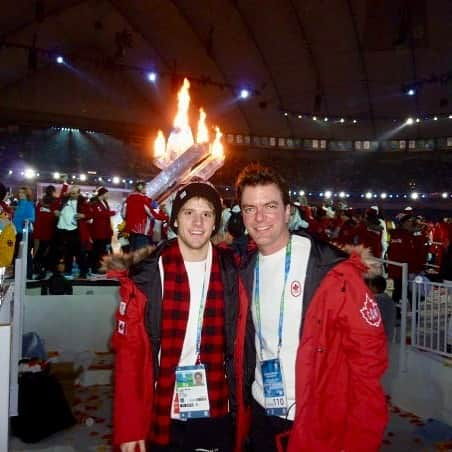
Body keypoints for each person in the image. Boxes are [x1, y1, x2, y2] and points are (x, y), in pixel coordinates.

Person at [233, 163, 388, 452]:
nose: (260, 217)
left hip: (316, 421)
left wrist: (360, 443)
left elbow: (368, 365)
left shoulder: (334, 273)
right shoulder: (243, 268)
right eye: (249, 208)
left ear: (288, 211)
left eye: (270, 206)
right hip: (260, 414)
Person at [106, 181, 238, 452]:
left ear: (215, 222)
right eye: (189, 212)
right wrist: (130, 427)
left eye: (207, 214)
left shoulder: (234, 271)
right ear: (175, 220)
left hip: (217, 403)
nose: (198, 222)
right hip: (162, 404)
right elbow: (130, 356)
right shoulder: (147, 275)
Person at [53, 186, 92, 278]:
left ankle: (83, 272)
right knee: (67, 252)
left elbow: (90, 214)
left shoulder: (83, 203)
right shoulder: (63, 200)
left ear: (78, 193)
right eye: (71, 193)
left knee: (79, 253)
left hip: (76, 231)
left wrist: (83, 215)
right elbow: (54, 207)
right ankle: (67, 271)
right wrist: (55, 211)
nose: (72, 195)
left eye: (74, 193)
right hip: (63, 230)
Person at [121, 180, 168, 251]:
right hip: (142, 232)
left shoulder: (128, 199)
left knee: (133, 254)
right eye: (145, 188)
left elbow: (123, 214)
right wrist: (165, 217)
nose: (146, 190)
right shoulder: (144, 200)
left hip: (130, 232)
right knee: (142, 256)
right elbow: (152, 215)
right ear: (142, 189)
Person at [89, 187, 116, 273]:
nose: (108, 196)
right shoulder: (95, 203)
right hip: (98, 232)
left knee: (103, 251)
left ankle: (101, 267)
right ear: (103, 194)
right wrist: (112, 213)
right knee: (97, 251)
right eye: (107, 194)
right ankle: (95, 268)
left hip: (105, 231)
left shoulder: (104, 203)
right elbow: (101, 214)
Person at [367, 275, 396, 342]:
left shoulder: (375, 300)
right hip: (387, 337)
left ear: (374, 287)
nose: (368, 288)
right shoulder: (389, 300)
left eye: (370, 285)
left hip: (377, 338)